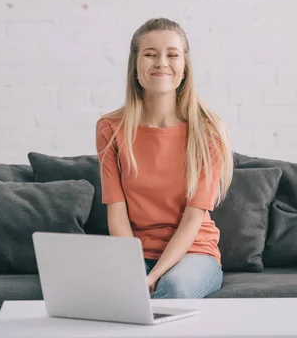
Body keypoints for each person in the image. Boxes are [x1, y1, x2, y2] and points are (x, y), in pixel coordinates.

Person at [95, 17, 233, 299]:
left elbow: (193, 219)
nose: (161, 62)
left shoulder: (208, 131)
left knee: (174, 287)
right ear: (135, 66)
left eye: (172, 54)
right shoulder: (110, 129)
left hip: (193, 253)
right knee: (88, 288)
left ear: (185, 67)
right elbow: (117, 214)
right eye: (150, 54)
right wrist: (133, 271)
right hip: (135, 254)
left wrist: (154, 276)